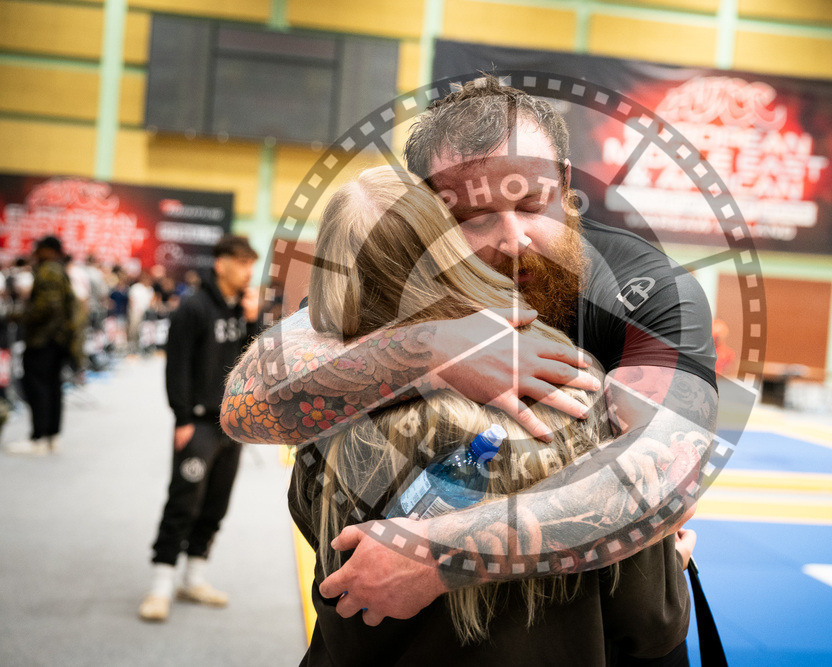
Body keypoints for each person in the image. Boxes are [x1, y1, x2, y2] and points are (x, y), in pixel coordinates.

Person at [223, 77, 717, 663]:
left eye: (532, 204)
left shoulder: (649, 291)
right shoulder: (390, 286)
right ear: (425, 212)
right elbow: (247, 406)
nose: (514, 238)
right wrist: (431, 352)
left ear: (564, 185)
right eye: (474, 217)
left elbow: (666, 473)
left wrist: (441, 555)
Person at [291, 166, 651, 662]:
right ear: (453, 252)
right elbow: (649, 622)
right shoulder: (574, 378)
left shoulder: (321, 404)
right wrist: (667, 563)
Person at [138, 235, 260, 622]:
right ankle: (161, 584)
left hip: (233, 426)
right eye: (242, 263)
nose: (248, 272)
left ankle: (194, 577)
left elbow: (257, 363)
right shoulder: (193, 307)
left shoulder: (243, 308)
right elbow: (176, 367)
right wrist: (182, 418)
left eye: (251, 264)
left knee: (216, 503)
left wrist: (254, 320)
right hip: (199, 422)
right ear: (221, 264)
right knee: (184, 500)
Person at [5, 236, 81, 456]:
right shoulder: (59, 270)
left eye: (38, 249)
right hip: (56, 341)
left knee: (38, 388)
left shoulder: (49, 270)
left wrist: (18, 316)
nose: (34, 253)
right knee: (52, 388)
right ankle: (50, 436)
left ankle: (39, 437)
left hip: (44, 341)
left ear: (48, 250)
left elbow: (47, 307)